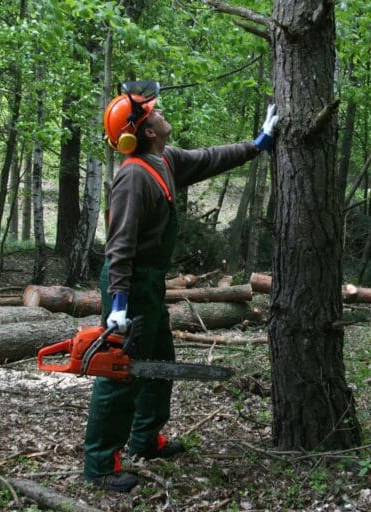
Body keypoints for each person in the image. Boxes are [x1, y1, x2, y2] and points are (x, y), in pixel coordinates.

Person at [83, 80, 278, 493]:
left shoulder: (164, 159)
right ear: (146, 130)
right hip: (129, 280)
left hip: (149, 282)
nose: (160, 111)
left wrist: (258, 143)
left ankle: (145, 439)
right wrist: (117, 303)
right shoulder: (134, 177)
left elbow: (210, 159)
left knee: (158, 361)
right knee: (121, 371)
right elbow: (120, 246)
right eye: (153, 110)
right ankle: (100, 464)